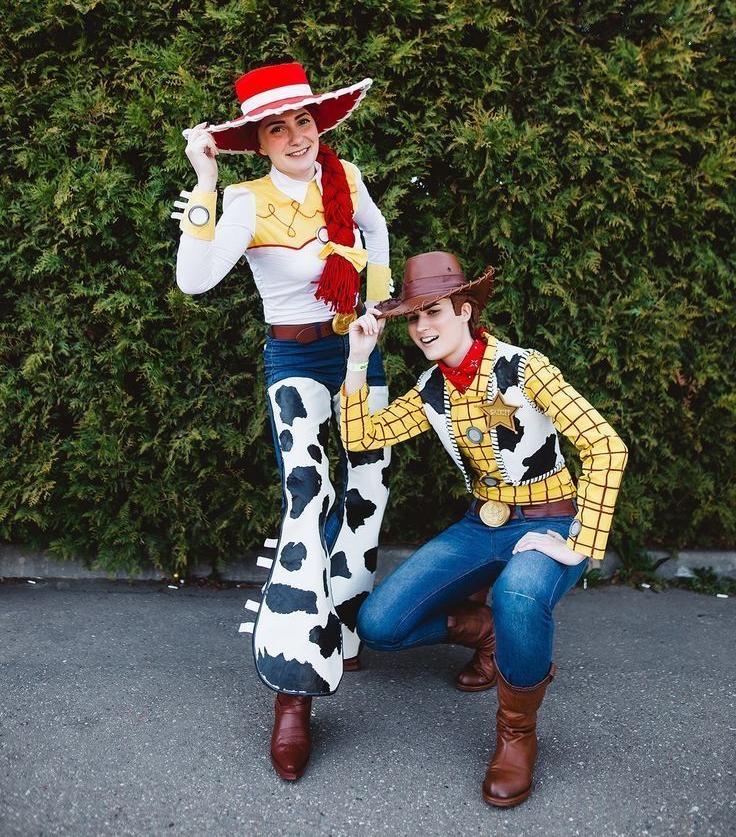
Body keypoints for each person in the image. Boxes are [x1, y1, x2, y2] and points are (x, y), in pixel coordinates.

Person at [339, 251, 628, 808]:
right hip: (483, 522)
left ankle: (516, 734)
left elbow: (605, 445)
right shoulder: (431, 389)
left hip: (551, 518)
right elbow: (361, 438)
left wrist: (580, 543)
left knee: (521, 593)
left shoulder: (524, 368)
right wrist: (358, 360)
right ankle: (487, 634)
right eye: (414, 317)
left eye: (435, 312)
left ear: (466, 310)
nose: (423, 328)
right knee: (379, 624)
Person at [173, 60, 392, 782]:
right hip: (295, 361)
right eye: (278, 127)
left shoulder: (345, 175)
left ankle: (349, 627)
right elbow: (194, 280)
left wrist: (379, 311)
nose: (296, 135)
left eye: (303, 120)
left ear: (316, 124)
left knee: (369, 488)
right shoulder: (244, 202)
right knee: (308, 498)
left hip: (358, 352)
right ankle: (294, 692)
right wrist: (204, 184)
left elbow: (378, 232)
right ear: (258, 142)